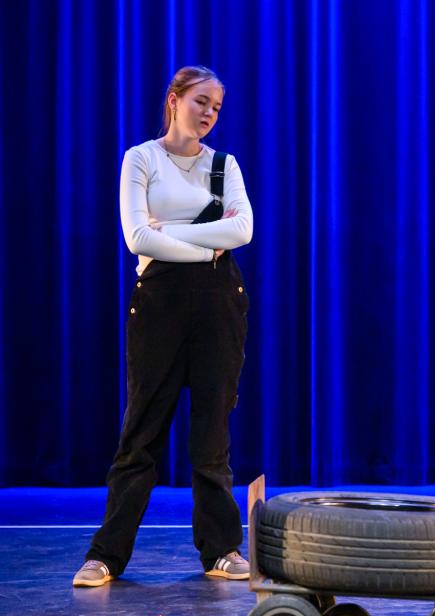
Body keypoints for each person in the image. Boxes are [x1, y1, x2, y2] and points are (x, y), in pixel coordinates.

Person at [73, 66, 254, 587]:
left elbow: (243, 230)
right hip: (159, 305)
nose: (209, 113)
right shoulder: (142, 159)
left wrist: (169, 230)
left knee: (212, 435)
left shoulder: (224, 165)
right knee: (141, 434)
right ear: (174, 99)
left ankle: (221, 550)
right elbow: (138, 238)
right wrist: (203, 244)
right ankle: (105, 555)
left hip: (219, 304)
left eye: (216, 107)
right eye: (201, 102)